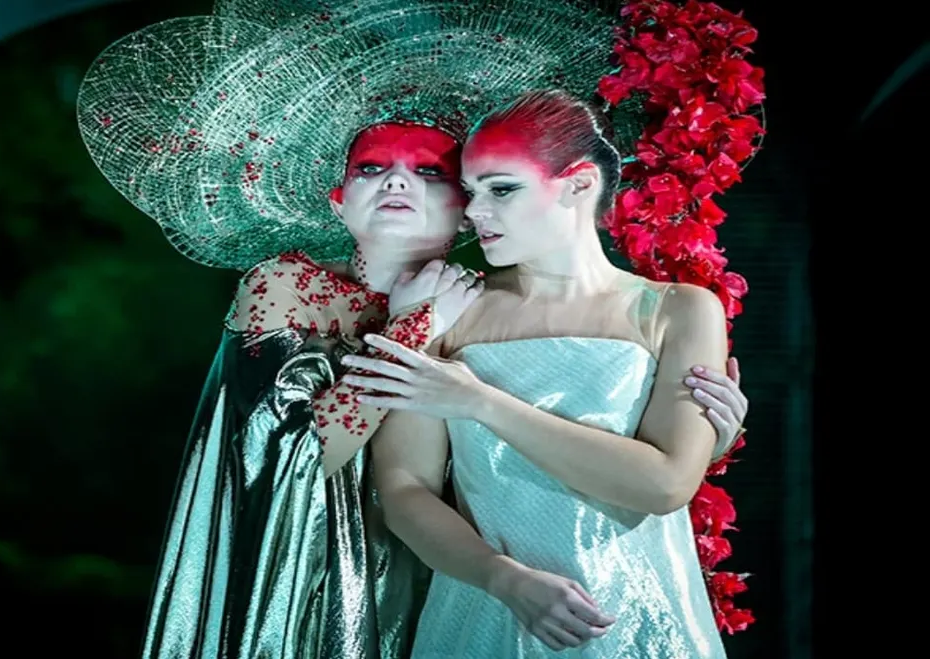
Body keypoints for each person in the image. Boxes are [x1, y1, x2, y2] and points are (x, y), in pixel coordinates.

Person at [76, 3, 749, 658]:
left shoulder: (490, 302)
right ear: (338, 201)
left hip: (451, 579)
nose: (398, 183)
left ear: (459, 212)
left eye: (431, 173)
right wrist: (417, 327)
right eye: (372, 168)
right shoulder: (301, 287)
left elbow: (628, 467)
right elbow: (310, 459)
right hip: (305, 568)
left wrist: (692, 442)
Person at [350, 89, 739, 657]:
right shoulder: (446, 308)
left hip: (640, 617)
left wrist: (480, 401)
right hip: (484, 607)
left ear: (579, 184)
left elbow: (664, 485)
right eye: (471, 192)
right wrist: (503, 580)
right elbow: (405, 490)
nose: (476, 212)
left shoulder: (679, 309)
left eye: (502, 189)